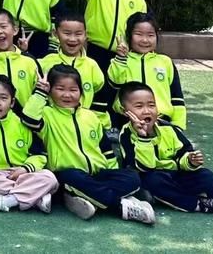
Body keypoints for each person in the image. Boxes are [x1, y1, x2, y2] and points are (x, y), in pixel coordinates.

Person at [21, 65, 154, 224]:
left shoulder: (90, 117)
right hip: (67, 175)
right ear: (50, 91)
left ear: (81, 92)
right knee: (72, 177)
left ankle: (83, 198)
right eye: (60, 89)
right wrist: (40, 92)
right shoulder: (46, 115)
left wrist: (112, 172)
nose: (67, 94)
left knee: (132, 177)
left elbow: (107, 151)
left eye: (73, 89)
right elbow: (29, 118)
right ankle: (121, 206)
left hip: (96, 175)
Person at [117, 82, 213, 214]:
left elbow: (184, 153)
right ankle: (197, 204)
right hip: (149, 176)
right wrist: (143, 137)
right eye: (139, 106)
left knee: (207, 177)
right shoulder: (126, 135)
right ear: (125, 112)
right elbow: (145, 167)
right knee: (153, 181)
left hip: (174, 175)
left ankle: (167, 197)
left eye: (151, 105)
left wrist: (190, 161)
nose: (147, 111)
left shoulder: (168, 128)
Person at [0, 74, 58, 213]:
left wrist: (25, 169)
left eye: (3, 98)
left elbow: (39, 155)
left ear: (12, 102)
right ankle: (35, 198)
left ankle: (7, 201)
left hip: (24, 174)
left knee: (50, 178)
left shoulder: (22, 124)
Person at [108, 13, 186, 129]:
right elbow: (115, 83)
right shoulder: (121, 61)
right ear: (129, 36)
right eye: (138, 34)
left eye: (150, 35)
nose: (145, 40)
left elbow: (177, 97)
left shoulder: (165, 62)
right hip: (127, 121)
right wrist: (121, 58)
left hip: (161, 121)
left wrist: (178, 125)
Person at [39, 12, 108, 124]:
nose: (72, 39)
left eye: (78, 34)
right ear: (55, 33)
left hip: (83, 124)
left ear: (85, 35)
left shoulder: (92, 65)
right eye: (67, 33)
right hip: (53, 123)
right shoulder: (45, 63)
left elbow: (100, 97)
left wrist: (102, 123)